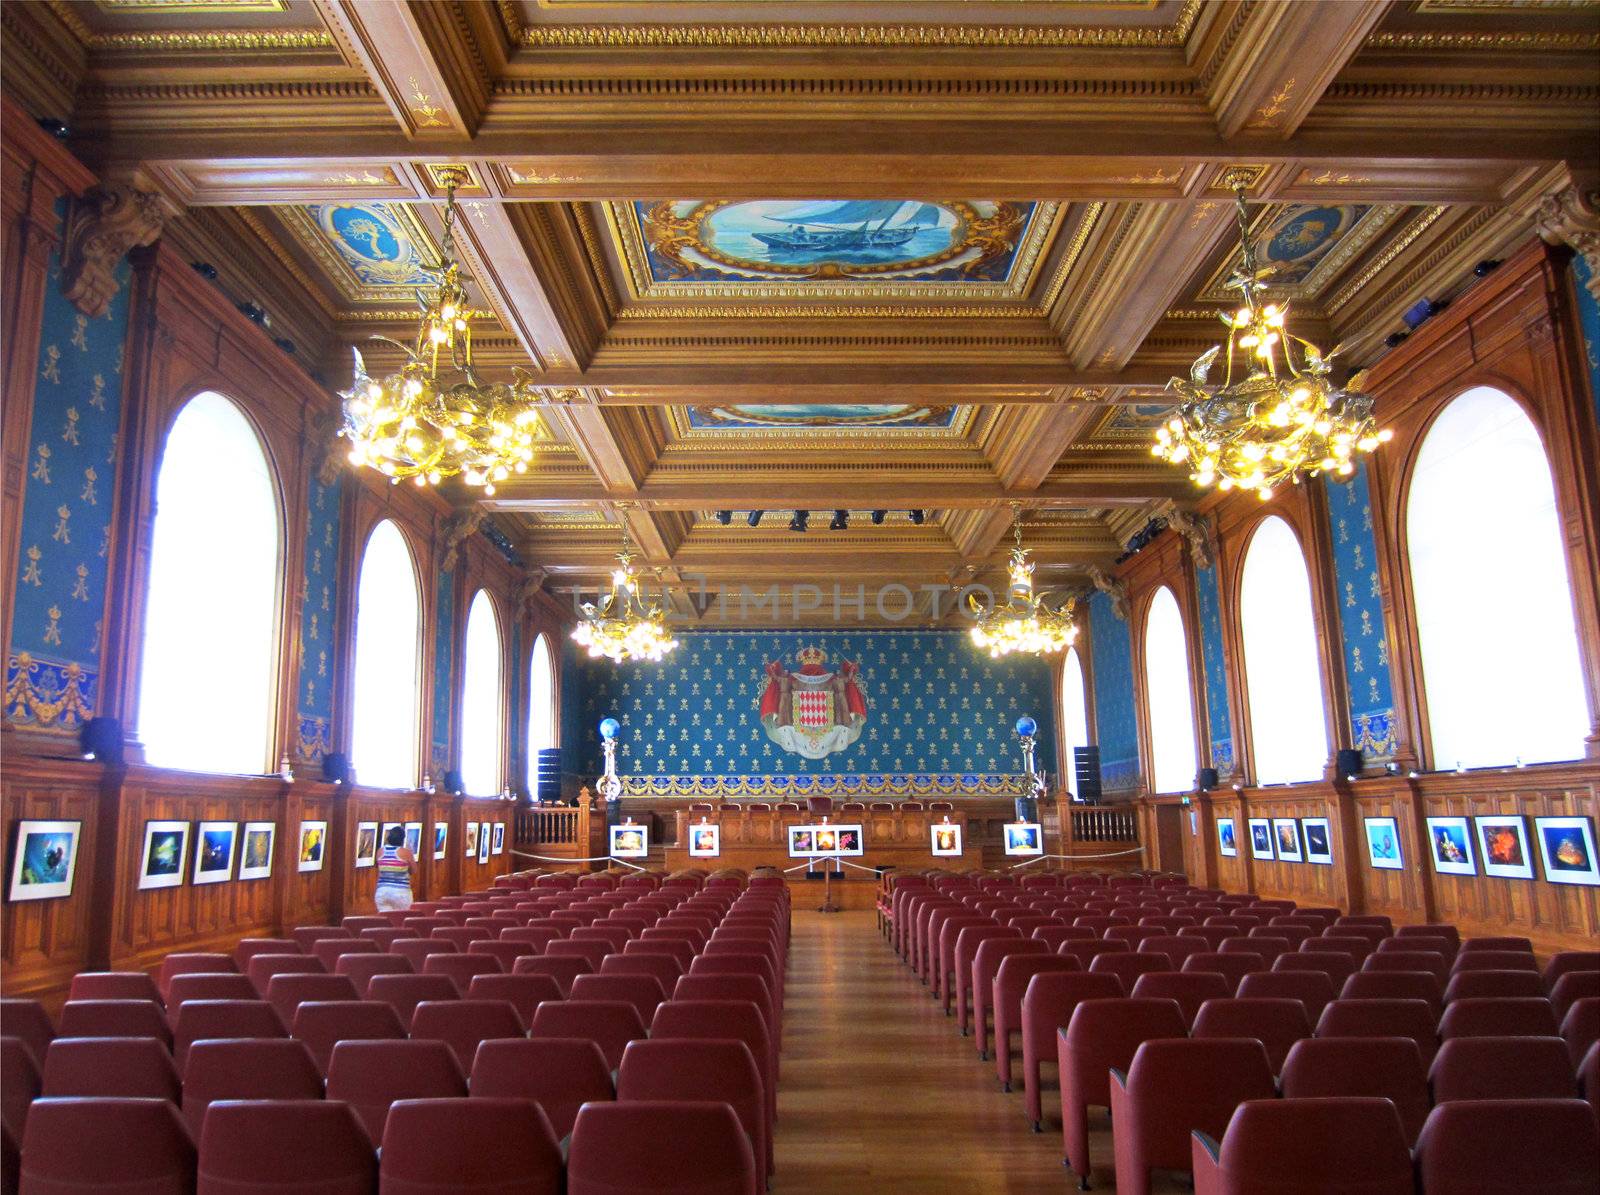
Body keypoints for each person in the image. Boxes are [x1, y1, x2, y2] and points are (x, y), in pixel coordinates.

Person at [374, 824, 414, 912]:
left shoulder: (380, 851)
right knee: (401, 920)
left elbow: (379, 870)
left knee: (385, 921)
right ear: (402, 839)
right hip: (401, 892)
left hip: (382, 891)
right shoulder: (406, 852)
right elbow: (413, 870)